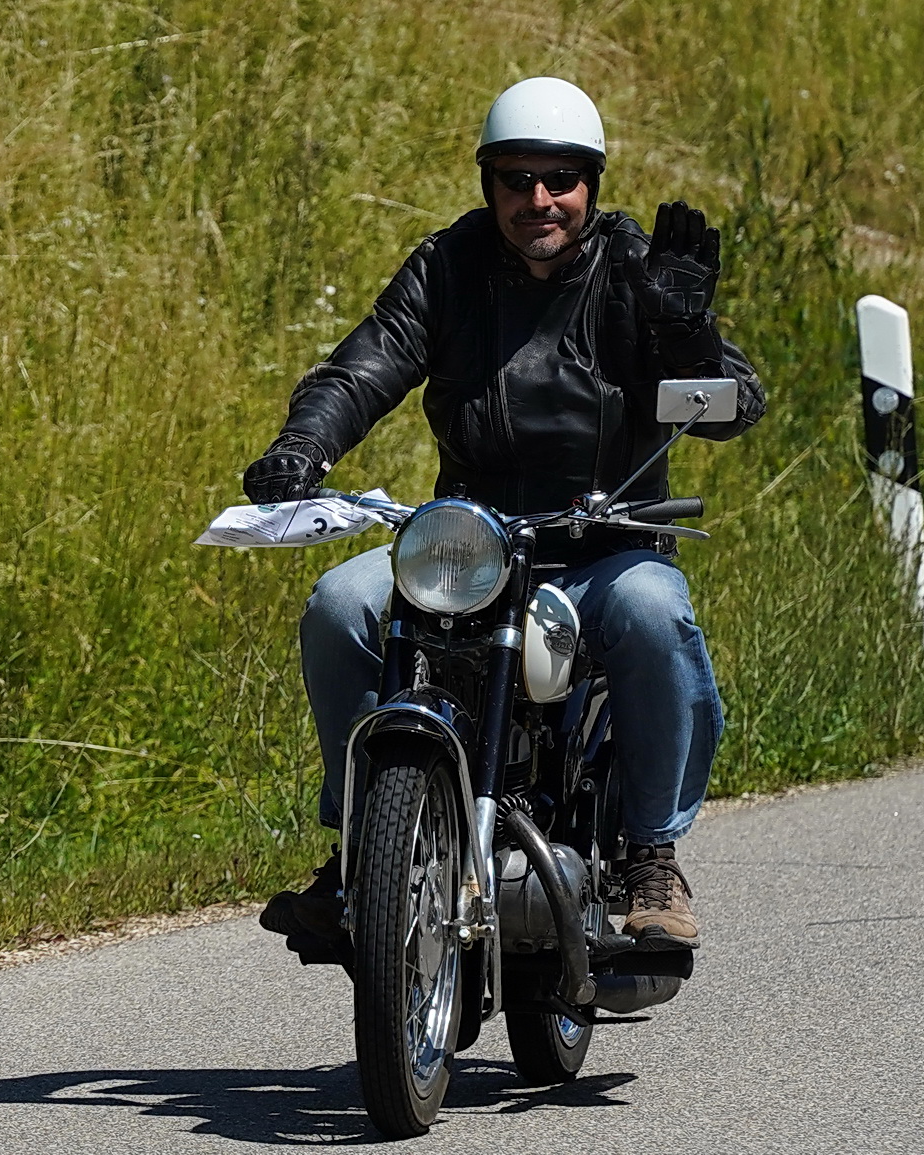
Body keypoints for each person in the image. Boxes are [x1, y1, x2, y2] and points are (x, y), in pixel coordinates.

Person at [244, 77, 764, 954]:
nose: (539, 200)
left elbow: (736, 401)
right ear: (489, 183)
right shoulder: (447, 266)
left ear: (590, 184)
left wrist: (685, 334)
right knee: (339, 604)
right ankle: (360, 845)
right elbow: (364, 367)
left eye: (560, 178)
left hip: (605, 543)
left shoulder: (637, 270)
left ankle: (651, 856)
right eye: (516, 179)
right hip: (468, 548)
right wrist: (306, 446)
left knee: (654, 614)